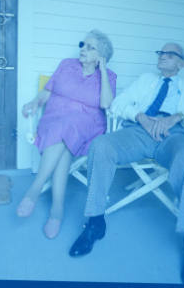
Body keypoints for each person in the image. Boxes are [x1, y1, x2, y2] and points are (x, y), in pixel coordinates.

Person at [69, 42, 184, 285]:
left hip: (174, 135)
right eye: (161, 53)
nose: (162, 57)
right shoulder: (145, 79)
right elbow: (118, 104)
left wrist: (178, 117)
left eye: (170, 55)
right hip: (138, 132)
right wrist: (140, 117)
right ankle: (95, 222)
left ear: (181, 63)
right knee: (101, 145)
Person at [16, 29, 117, 240]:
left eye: (91, 47)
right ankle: (57, 211)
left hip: (87, 127)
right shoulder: (66, 65)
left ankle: (34, 191)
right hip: (54, 119)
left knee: (68, 127)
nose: (83, 49)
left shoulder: (109, 77)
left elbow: (106, 104)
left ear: (101, 56)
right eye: (83, 44)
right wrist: (35, 102)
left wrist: (104, 69)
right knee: (63, 139)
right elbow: (47, 92)